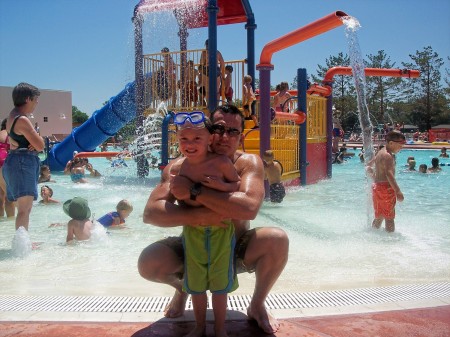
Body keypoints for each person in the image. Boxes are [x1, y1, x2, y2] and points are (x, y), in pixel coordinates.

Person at [138, 104, 288, 334]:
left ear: (240, 137)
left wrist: (196, 191)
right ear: (208, 131)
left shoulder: (247, 162)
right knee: (148, 262)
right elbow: (151, 213)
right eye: (218, 128)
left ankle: (257, 306)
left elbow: (249, 208)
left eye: (233, 131)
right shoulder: (179, 167)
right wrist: (201, 215)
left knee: (277, 239)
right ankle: (183, 289)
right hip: (195, 247)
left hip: (235, 248)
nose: (224, 136)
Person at [169, 111, 240, 337]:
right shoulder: (180, 168)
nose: (190, 144)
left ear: (210, 139)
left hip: (221, 231)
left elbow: (237, 187)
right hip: (193, 233)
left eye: (197, 139)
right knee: (197, 285)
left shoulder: (220, 162)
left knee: (220, 285)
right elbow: (175, 199)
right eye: (184, 139)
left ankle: (220, 329)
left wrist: (220, 186)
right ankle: (199, 327)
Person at [3, 83, 44, 256]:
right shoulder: (22, 119)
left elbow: (15, 142)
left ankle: (23, 241)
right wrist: (37, 139)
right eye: (35, 100)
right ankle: (22, 249)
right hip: (22, 163)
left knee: (23, 208)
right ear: (27, 99)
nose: (36, 104)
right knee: (24, 209)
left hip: (16, 161)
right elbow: (40, 145)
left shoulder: (12, 117)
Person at [366, 131, 406, 233]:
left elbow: (368, 166)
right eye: (400, 145)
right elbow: (389, 174)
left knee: (379, 215)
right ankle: (390, 241)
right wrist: (398, 191)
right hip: (386, 188)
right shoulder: (388, 156)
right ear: (391, 143)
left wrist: (373, 175)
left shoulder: (380, 152)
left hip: (377, 187)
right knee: (389, 217)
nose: (401, 147)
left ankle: (373, 234)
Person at [199, 39, 225, 104]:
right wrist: (221, 72)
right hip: (216, 69)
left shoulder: (204, 52)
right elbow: (222, 63)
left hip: (207, 69)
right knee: (217, 91)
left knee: (207, 91)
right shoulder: (217, 52)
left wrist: (201, 73)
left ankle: (209, 106)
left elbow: (201, 63)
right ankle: (216, 105)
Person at [0, 118, 15, 218]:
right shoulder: (11, 134)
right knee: (10, 198)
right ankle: (10, 224)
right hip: (4, 162)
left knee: (0, 198)